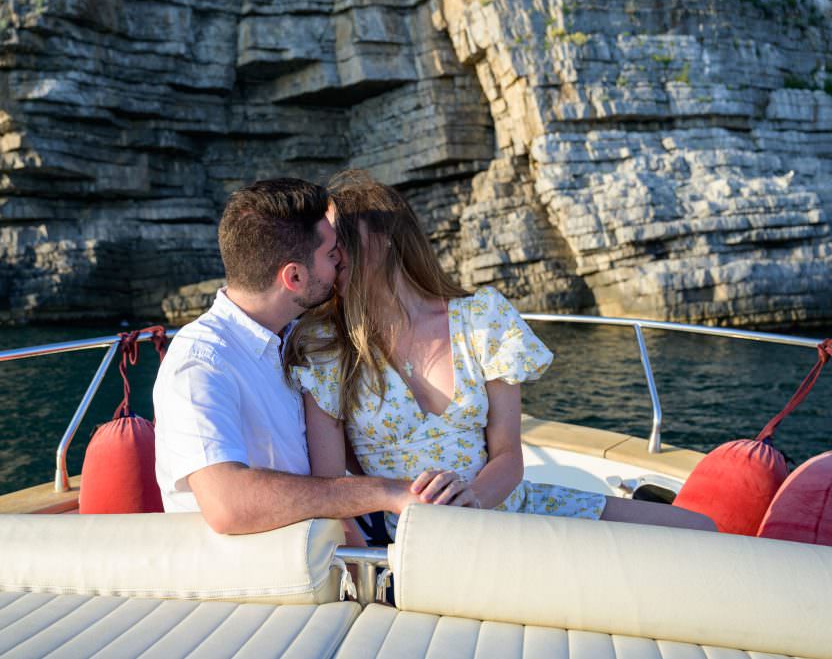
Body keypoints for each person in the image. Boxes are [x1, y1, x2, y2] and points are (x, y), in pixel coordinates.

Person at [286, 172, 716, 539]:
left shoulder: (482, 319)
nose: (328, 250)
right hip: (418, 540)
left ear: (383, 237)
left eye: (337, 235)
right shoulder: (327, 348)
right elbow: (330, 489)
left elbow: (508, 455)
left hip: (504, 509)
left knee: (701, 531)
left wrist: (473, 500)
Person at [153, 178, 421, 535]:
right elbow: (227, 505)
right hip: (254, 581)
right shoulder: (200, 364)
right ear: (294, 276)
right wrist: (387, 492)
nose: (339, 261)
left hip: (324, 549)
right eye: (330, 255)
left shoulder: (298, 339)